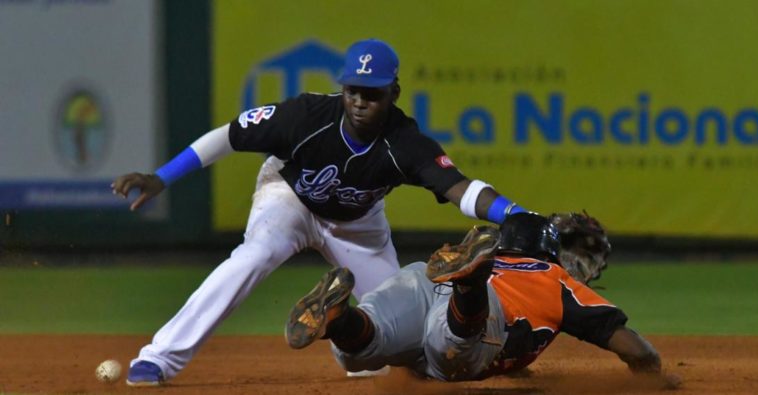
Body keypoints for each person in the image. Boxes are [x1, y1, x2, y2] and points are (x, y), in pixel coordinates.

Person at [112, 38, 528, 387]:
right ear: (342, 89)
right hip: (288, 199)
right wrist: (161, 177)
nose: (361, 102)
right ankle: (159, 358)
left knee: (404, 324)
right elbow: (229, 136)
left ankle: (494, 354)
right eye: (353, 91)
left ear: (394, 93)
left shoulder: (404, 142)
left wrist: (517, 214)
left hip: (358, 226)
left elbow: (460, 188)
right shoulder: (305, 116)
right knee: (254, 255)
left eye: (373, 94)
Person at [286, 212, 681, 388]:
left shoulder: (512, 266)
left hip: (421, 276)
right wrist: (654, 371)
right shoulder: (554, 277)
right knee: (451, 347)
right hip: (476, 314)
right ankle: (469, 284)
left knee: (363, 349)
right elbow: (628, 344)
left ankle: (339, 320)